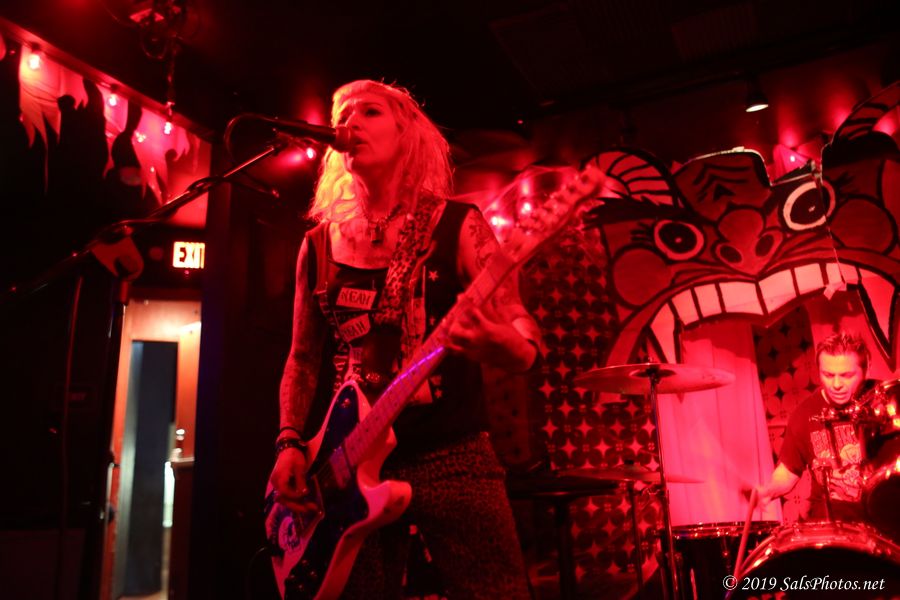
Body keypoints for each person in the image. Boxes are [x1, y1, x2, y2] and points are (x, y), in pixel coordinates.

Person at [267, 79, 540, 599]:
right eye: (342, 115)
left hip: (452, 452)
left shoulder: (459, 224)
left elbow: (521, 328)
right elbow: (302, 358)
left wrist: (504, 345)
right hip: (345, 458)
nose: (350, 124)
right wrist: (289, 442)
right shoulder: (317, 244)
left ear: (407, 132)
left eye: (369, 112)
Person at [756, 331, 878, 522]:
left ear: (867, 369)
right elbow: (788, 471)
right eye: (828, 375)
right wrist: (769, 490)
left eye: (846, 375)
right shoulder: (804, 414)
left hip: (884, 516)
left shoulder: (885, 399)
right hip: (831, 523)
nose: (836, 384)